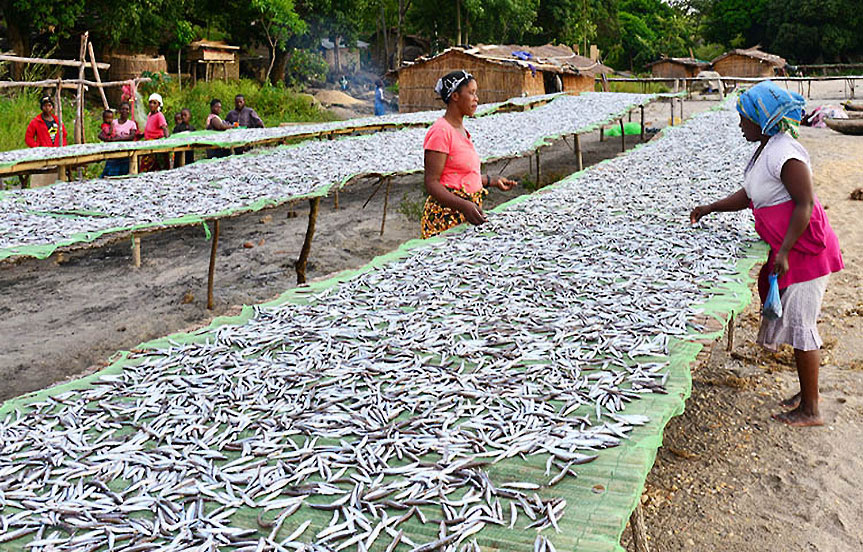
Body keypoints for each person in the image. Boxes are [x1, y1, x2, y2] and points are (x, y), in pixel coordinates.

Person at [690, 81, 844, 427]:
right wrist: (711, 208)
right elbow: (749, 195)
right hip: (791, 249)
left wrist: (785, 250)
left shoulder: (785, 153)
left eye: (744, 118)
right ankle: (807, 394)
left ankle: (811, 410)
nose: (740, 124)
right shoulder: (767, 148)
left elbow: (805, 204)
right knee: (797, 323)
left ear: (762, 120)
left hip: (806, 251)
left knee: (802, 326)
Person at [421, 70, 517, 239]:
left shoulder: (461, 130)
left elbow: (460, 176)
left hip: (464, 215)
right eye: (471, 93)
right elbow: (432, 183)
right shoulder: (441, 131)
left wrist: (492, 180)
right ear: (455, 96)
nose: (476, 98)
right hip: (446, 218)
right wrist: (464, 205)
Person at [100, 102, 137, 177]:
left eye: (127, 109)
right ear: (119, 111)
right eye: (123, 109)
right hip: (113, 152)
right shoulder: (113, 122)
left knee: (124, 174)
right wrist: (108, 139)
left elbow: (132, 136)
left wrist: (119, 139)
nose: (125, 111)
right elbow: (101, 134)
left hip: (126, 153)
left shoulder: (132, 124)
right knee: (110, 173)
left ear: (129, 111)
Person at [139, 93, 170, 172]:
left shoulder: (159, 115)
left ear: (158, 105)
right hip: (148, 143)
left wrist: (168, 141)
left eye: (154, 103)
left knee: (156, 165)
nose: (151, 105)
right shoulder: (150, 115)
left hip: (156, 143)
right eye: (150, 102)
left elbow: (164, 127)